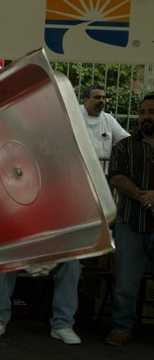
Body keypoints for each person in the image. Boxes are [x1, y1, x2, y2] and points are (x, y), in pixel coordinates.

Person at [104, 94, 154, 346]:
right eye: (143, 112)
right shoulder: (124, 146)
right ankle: (121, 327)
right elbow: (115, 176)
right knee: (125, 284)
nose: (146, 116)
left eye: (151, 111)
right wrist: (143, 196)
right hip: (130, 224)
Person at [0, 262, 83, 344]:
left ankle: (63, 324)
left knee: (72, 264)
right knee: (2, 261)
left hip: (52, 259)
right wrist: (27, 263)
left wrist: (52, 263)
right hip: (18, 257)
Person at [80, 84, 130, 174]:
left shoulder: (108, 119)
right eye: (97, 97)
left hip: (103, 173)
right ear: (85, 100)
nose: (102, 101)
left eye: (103, 98)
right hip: (80, 172)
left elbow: (125, 140)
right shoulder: (73, 115)